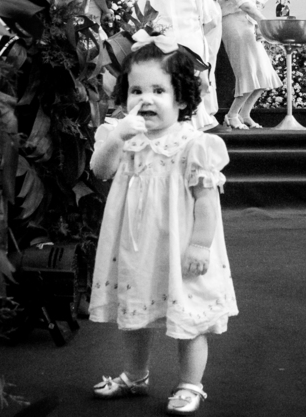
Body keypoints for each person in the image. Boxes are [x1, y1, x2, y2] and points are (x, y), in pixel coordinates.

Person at [88, 39, 237, 415]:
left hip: (180, 246)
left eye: (158, 90)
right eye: (137, 90)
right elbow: (100, 171)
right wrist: (119, 135)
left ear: (182, 99)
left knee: (190, 316)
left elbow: (207, 201)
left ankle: (190, 384)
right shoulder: (124, 137)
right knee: (133, 314)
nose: (146, 99)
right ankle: (135, 375)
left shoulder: (194, 145)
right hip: (136, 246)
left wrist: (200, 246)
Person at [138, 0, 220, 130]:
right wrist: (196, 34)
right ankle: (194, 125)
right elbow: (212, 20)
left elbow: (141, 22)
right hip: (192, 47)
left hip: (163, 46)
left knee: (168, 88)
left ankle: (169, 125)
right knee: (190, 89)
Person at [221, 0, 280, 129]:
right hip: (234, 24)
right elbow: (244, 4)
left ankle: (244, 113)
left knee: (262, 73)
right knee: (248, 71)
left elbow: (252, 4)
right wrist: (264, 22)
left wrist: (257, 23)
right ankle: (231, 115)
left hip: (247, 23)